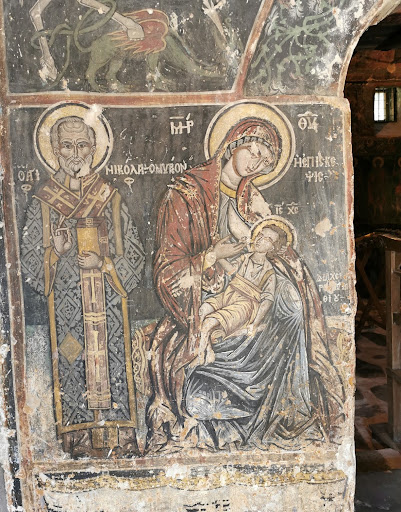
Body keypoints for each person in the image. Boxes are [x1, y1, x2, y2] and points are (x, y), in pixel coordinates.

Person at [146, 116, 343, 453]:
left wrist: (280, 268)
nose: (256, 163)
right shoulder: (186, 193)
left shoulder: (251, 199)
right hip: (205, 293)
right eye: (254, 151)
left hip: (249, 295)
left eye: (265, 161)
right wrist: (211, 257)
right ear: (232, 145)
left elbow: (271, 245)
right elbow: (168, 268)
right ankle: (220, 415)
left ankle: (286, 411)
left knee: (291, 307)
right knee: (213, 342)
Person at [21, 116, 145, 458]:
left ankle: (118, 439)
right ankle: (77, 440)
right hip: (67, 308)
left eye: (82, 145)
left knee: (113, 362)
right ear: (54, 150)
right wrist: (55, 252)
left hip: (108, 305)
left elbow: (134, 256)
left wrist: (103, 264)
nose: (75, 154)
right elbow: (30, 262)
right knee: (71, 359)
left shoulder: (110, 197)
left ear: (93, 149)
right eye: (67, 146)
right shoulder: (44, 200)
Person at [198, 221, 287, 359]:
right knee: (202, 311)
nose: (260, 239)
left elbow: (267, 300)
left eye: (267, 239)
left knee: (208, 323)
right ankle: (208, 350)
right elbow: (231, 270)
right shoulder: (244, 258)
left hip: (246, 304)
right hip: (229, 295)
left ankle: (199, 357)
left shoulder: (269, 272)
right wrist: (216, 254)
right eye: (260, 235)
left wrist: (254, 324)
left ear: (272, 247)